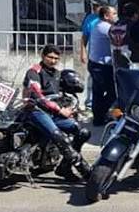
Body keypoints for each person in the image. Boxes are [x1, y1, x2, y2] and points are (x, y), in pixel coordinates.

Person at [23, 45, 91, 182]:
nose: (53, 61)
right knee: (58, 136)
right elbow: (37, 95)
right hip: (37, 111)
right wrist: (60, 110)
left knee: (82, 132)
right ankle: (85, 170)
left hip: (53, 113)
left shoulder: (57, 74)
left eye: (56, 58)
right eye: (50, 57)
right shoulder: (34, 72)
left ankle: (64, 167)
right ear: (43, 56)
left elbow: (64, 94)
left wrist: (70, 108)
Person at [88, 4, 117, 127]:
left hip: (96, 63)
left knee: (98, 93)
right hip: (102, 66)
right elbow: (120, 41)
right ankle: (100, 114)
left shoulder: (98, 25)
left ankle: (98, 118)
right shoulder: (107, 28)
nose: (116, 16)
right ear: (106, 16)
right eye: (114, 14)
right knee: (113, 93)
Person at [80, 0, 109, 107]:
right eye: (93, 5)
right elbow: (84, 36)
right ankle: (90, 103)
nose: (94, 7)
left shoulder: (109, 19)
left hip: (108, 58)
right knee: (93, 80)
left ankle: (103, 106)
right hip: (94, 56)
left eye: (97, 6)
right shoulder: (90, 18)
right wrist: (83, 52)